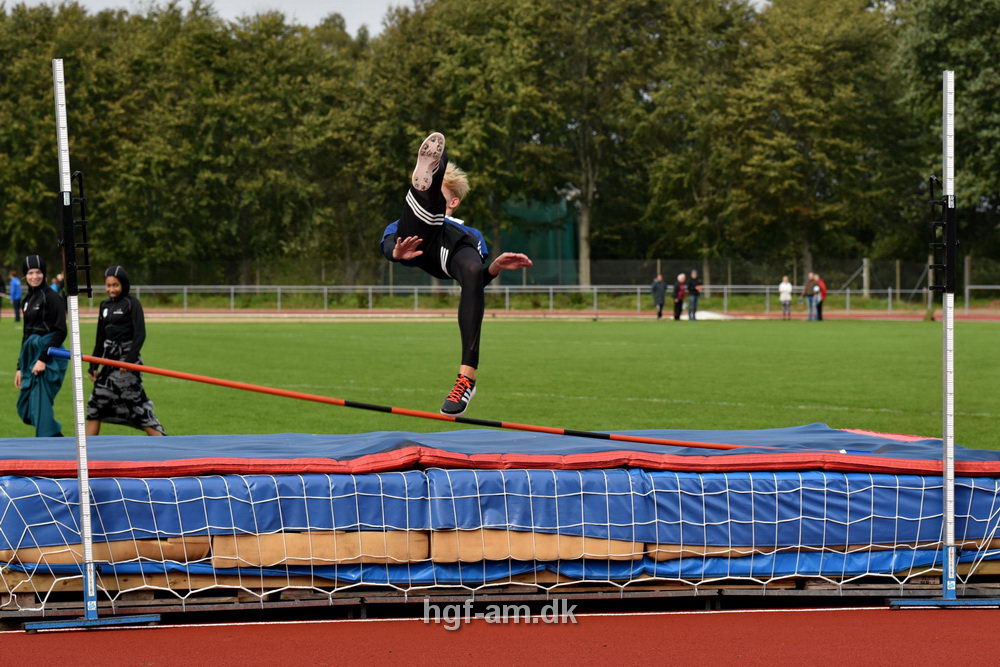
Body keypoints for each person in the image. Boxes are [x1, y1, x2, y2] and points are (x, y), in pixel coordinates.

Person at [380, 132, 532, 416]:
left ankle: (467, 377)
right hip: (417, 240)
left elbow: (474, 281)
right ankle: (433, 173)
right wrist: (394, 253)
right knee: (425, 210)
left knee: (472, 266)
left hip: (451, 250)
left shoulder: (470, 235)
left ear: (454, 202)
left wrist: (494, 267)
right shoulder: (402, 223)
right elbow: (388, 243)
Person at [86, 265, 165, 436]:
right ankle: (86, 454)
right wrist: (93, 365)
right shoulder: (104, 306)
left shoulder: (132, 304)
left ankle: (163, 441)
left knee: (138, 408)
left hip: (127, 364)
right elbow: (100, 339)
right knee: (95, 405)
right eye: (108, 285)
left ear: (124, 285)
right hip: (108, 363)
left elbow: (140, 335)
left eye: (115, 285)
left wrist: (128, 361)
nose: (112, 289)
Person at [14, 255, 67, 437]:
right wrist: (20, 367)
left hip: (49, 356)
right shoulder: (27, 300)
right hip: (31, 355)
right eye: (30, 273)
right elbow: (26, 334)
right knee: (26, 408)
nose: (34, 276)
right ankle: (56, 439)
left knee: (40, 407)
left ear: (44, 274)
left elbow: (61, 331)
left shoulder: (52, 298)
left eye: (38, 272)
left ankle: (54, 449)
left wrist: (43, 359)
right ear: (25, 276)